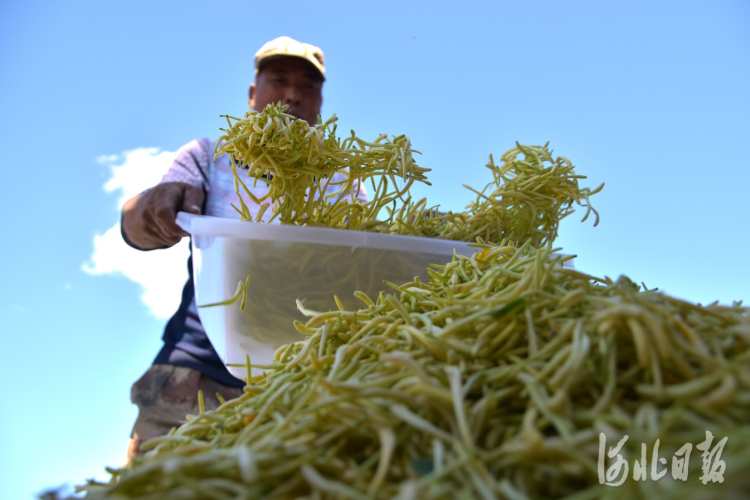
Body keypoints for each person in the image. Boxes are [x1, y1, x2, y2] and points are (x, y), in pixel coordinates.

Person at [121, 36, 365, 460]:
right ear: (254, 94)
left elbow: (372, 252)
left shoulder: (342, 181)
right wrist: (151, 209)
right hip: (195, 374)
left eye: (308, 86)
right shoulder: (209, 156)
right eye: (279, 80)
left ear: (321, 102)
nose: (292, 94)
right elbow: (138, 226)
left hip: (307, 378)